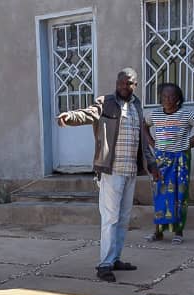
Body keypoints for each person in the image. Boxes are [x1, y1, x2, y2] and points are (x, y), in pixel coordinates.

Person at [57, 68, 160, 282]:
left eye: (128, 83)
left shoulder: (137, 106)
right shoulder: (106, 102)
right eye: (120, 82)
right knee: (110, 218)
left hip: (130, 171)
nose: (123, 86)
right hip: (111, 171)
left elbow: (142, 138)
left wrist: (151, 164)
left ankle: (115, 259)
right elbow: (88, 113)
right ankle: (104, 264)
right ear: (117, 83)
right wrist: (70, 116)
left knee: (123, 219)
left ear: (135, 85)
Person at [143, 82, 194, 244]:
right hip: (161, 159)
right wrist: (151, 142)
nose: (168, 99)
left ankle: (178, 232)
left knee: (179, 194)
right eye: (164, 96)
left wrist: (189, 143)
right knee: (160, 194)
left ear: (178, 99)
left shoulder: (188, 114)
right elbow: (143, 125)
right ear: (160, 98)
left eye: (172, 97)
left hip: (181, 158)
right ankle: (158, 232)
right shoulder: (154, 115)